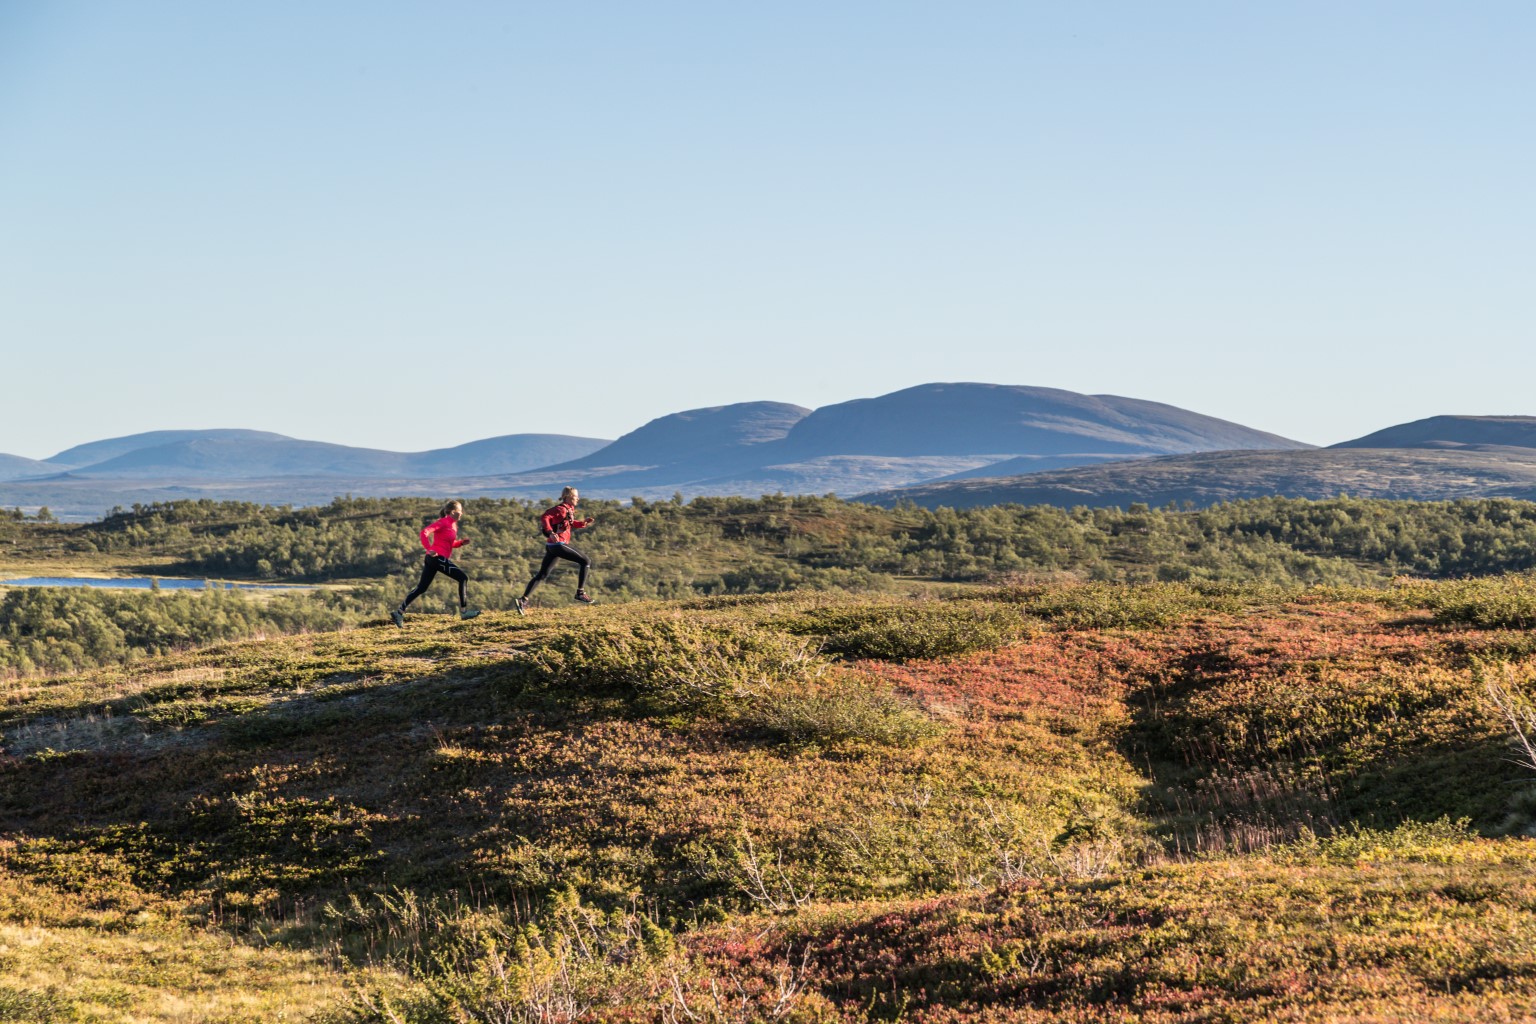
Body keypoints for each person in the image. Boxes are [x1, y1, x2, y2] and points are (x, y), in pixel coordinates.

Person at [391, 500, 479, 626]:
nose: (462, 513)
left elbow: (449, 543)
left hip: (434, 559)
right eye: (460, 511)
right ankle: (464, 612)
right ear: (453, 512)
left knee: (422, 588)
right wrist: (429, 549)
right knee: (463, 578)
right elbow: (424, 533)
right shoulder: (443, 522)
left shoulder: (453, 525)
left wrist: (460, 543)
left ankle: (399, 612)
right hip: (436, 557)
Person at [515, 486, 594, 613]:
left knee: (542, 574)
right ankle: (580, 593)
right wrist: (551, 532)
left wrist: (583, 523)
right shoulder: (560, 509)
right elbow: (545, 517)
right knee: (586, 561)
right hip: (558, 545)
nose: (578, 498)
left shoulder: (569, 509)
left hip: (551, 546)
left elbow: (571, 523)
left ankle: (522, 600)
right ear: (567, 497)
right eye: (575, 496)